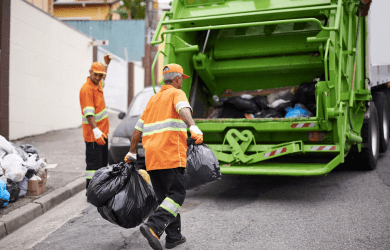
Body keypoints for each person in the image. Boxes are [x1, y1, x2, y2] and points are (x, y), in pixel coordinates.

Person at [124, 63, 203, 250]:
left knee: (165, 199)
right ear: (176, 79)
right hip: (170, 154)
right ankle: (153, 226)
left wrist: (132, 151)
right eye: (181, 79)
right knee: (177, 195)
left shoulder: (152, 100)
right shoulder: (176, 94)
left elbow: (138, 129)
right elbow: (183, 109)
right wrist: (193, 126)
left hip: (152, 158)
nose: (182, 83)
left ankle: (174, 237)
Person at [79, 54, 112, 188]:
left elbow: (103, 78)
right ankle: (91, 190)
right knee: (93, 166)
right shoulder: (87, 89)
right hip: (94, 135)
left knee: (102, 163)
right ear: (90, 72)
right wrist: (96, 131)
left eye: (100, 75)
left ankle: (101, 189)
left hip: (102, 133)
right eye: (96, 74)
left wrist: (106, 65)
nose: (99, 77)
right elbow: (89, 114)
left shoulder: (97, 84)